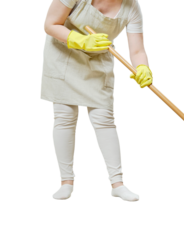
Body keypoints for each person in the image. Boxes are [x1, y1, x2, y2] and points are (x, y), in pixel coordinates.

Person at [41, 0, 153, 202]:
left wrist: (142, 67)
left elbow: (137, 51)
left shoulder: (132, 7)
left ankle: (117, 184)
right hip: (63, 56)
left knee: (104, 118)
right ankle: (66, 182)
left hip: (98, 60)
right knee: (64, 116)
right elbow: (50, 23)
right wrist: (80, 40)